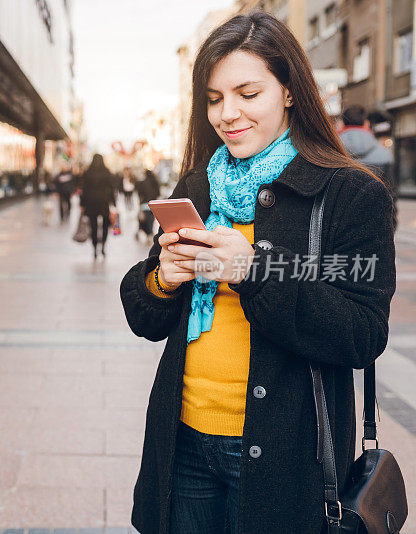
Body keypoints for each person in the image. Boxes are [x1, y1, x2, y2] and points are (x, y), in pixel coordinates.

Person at [120, 12, 395, 534]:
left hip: (287, 458)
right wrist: (162, 277)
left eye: (248, 93)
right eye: (215, 98)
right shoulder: (198, 185)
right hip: (183, 442)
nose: (228, 113)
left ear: (289, 91)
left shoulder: (349, 194)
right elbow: (146, 317)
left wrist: (255, 271)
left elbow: (363, 334)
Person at [339, 105, 398, 230]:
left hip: (338, 226)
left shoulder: (328, 151)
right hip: (375, 224)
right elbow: (391, 194)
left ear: (342, 124)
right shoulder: (384, 153)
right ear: (366, 124)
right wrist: (392, 223)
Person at [80, 153, 117, 259]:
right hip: (104, 202)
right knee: (105, 225)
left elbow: (84, 190)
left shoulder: (88, 173)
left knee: (93, 226)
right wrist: (113, 203)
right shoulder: (107, 172)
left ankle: (95, 247)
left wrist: (82, 204)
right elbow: (111, 189)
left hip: (91, 202)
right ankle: (103, 246)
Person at [135, 169, 161, 240]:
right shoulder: (155, 183)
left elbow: (139, 194)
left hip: (144, 205)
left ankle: (148, 234)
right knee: (151, 221)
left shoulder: (142, 183)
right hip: (153, 205)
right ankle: (150, 234)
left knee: (145, 221)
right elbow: (158, 193)